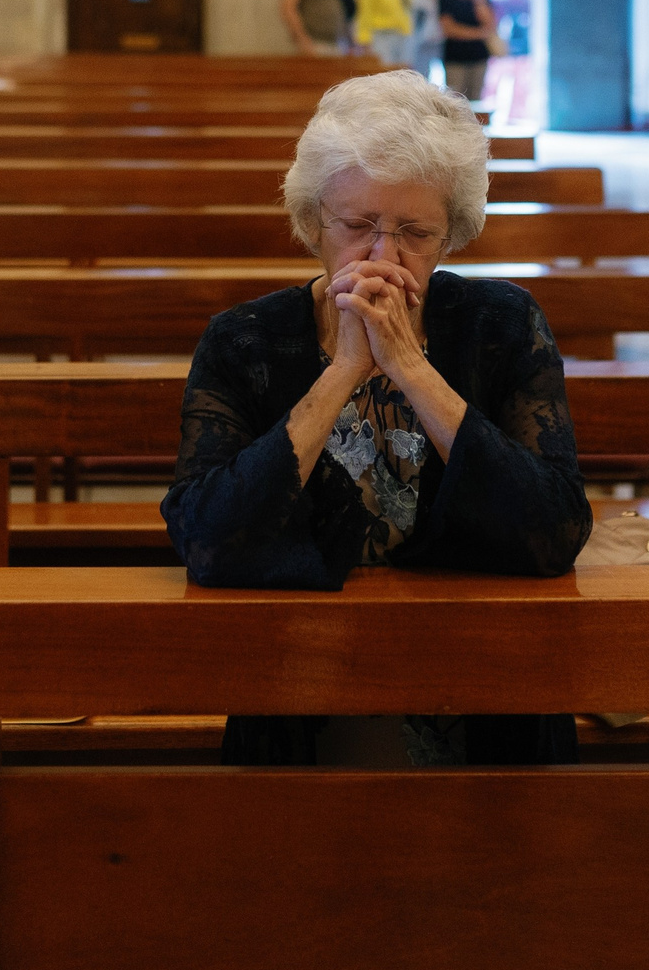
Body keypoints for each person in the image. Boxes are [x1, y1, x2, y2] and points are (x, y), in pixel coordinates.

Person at [162, 69, 592, 765]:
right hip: (296, 693)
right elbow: (207, 541)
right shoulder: (243, 342)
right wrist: (342, 372)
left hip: (490, 695)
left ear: (450, 237)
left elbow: (555, 531)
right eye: (358, 226)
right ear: (313, 223)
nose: (384, 257)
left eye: (415, 232)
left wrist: (410, 368)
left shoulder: (504, 324)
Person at [435, 0, 501, 103]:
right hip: (455, 58)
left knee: (476, 101)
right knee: (455, 101)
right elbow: (449, 30)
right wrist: (478, 33)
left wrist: (477, 2)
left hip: (478, 57)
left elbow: (490, 26)